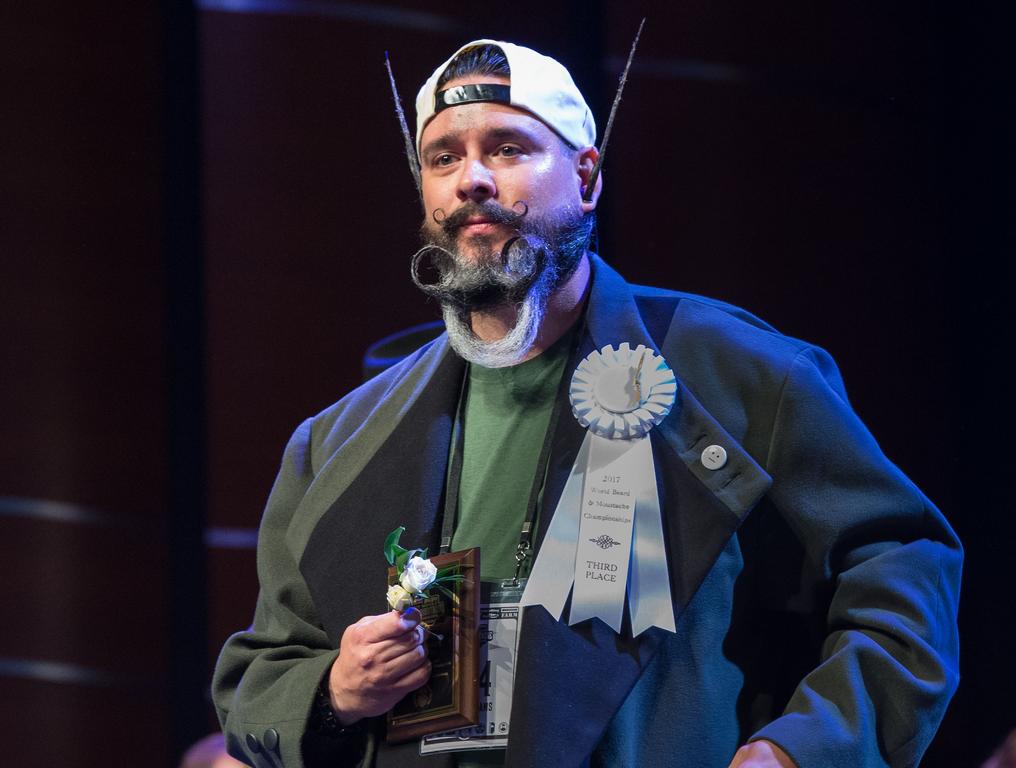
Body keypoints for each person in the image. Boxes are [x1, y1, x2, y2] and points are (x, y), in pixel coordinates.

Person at [213, 40, 962, 768]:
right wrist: (334, 690)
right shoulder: (338, 441)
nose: (472, 178)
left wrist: (801, 749)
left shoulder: (735, 373)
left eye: (507, 148)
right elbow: (259, 678)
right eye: (444, 157)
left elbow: (903, 566)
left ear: (587, 176)